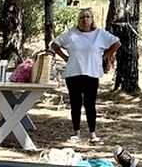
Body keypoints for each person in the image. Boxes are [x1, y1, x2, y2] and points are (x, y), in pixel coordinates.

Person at [50, 9, 120, 144]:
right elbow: (54, 44)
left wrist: (105, 56)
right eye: (82, 17)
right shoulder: (71, 34)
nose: (84, 20)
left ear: (92, 19)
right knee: (75, 104)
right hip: (74, 73)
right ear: (78, 20)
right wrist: (65, 57)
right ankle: (76, 133)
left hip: (91, 73)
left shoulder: (100, 34)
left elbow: (116, 43)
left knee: (90, 104)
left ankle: (92, 134)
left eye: (87, 17)